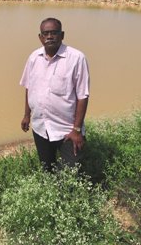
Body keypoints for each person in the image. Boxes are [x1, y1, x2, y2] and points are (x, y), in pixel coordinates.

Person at [19, 17, 90, 172]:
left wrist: (77, 130)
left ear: (62, 35)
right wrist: (26, 115)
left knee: (73, 173)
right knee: (47, 169)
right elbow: (29, 87)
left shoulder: (77, 58)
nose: (49, 36)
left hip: (67, 130)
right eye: (45, 33)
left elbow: (82, 96)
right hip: (41, 126)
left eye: (54, 33)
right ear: (40, 37)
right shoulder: (34, 58)